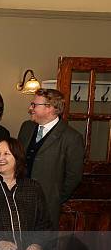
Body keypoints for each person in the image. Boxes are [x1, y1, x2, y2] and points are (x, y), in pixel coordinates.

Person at [17, 88, 84, 229]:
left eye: (34, 105)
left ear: (51, 108)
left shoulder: (71, 137)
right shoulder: (26, 127)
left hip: (46, 207)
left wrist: (55, 197)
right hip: (19, 200)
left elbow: (74, 176)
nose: (30, 108)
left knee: (42, 247)